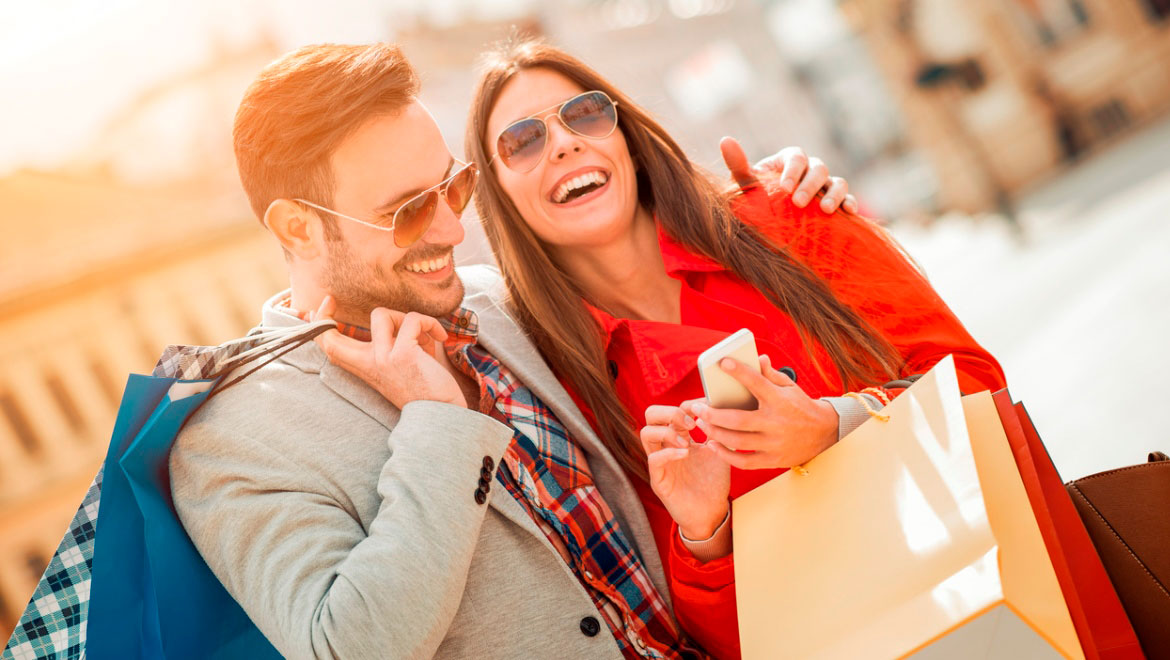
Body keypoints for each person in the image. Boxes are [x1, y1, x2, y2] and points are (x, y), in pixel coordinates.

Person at [168, 42, 854, 659]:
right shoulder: (232, 440)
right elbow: (346, 648)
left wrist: (774, 199)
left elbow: (641, 260)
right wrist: (439, 429)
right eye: (407, 210)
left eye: (453, 187)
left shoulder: (493, 301)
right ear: (299, 226)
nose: (450, 228)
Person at [465, 38, 1008, 659]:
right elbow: (718, 642)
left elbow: (981, 388)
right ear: (500, 198)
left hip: (995, 601)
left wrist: (834, 426)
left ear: (627, 138)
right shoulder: (569, 396)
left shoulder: (790, 216)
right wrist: (705, 533)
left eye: (585, 113)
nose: (563, 142)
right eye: (522, 141)